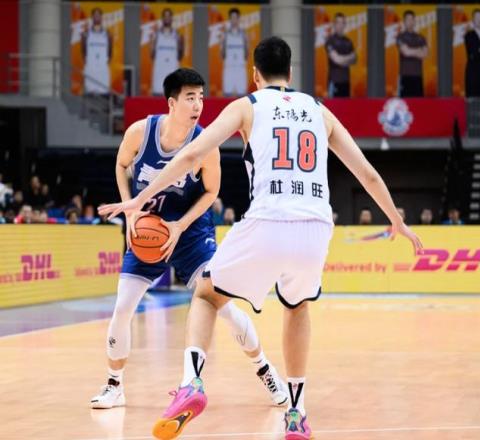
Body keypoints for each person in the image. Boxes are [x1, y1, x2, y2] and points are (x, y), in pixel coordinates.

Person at [98, 37, 422, 440]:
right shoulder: (319, 110)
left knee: (206, 295)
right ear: (291, 73)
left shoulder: (246, 106)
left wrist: (137, 201)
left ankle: (192, 383)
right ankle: (296, 413)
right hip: (316, 226)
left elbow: (189, 156)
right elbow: (368, 174)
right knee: (297, 308)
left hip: (269, 219)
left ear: (254, 75)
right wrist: (396, 221)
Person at [91, 68, 287, 410]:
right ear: (172, 102)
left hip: (191, 233)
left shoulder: (205, 143)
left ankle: (265, 369)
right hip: (148, 229)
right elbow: (122, 166)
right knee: (122, 308)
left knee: (224, 309)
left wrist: (180, 225)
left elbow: (211, 192)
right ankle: (114, 385)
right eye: (190, 98)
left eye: (201, 97)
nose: (198, 105)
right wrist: (131, 211)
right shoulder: (140, 132)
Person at [151, 8, 184, 96]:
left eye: (169, 16)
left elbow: (180, 56)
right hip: (159, 75)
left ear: (172, 18)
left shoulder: (177, 35)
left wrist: (181, 44)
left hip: (172, 74)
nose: (167, 18)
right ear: (162, 18)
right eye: (165, 16)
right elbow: (152, 56)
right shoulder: (156, 35)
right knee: (158, 101)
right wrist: (152, 43)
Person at [396, 10, 428, 97]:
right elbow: (406, 52)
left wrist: (411, 50)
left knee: (419, 103)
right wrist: (418, 50)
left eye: (411, 19)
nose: (410, 22)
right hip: (405, 76)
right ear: (404, 22)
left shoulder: (421, 37)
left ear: (414, 21)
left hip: (418, 76)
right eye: (407, 19)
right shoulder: (400, 36)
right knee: (404, 103)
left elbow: (425, 54)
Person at [325, 12, 356, 98]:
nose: (340, 25)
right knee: (333, 106)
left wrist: (342, 60)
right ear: (334, 24)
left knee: (346, 105)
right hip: (334, 81)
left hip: (346, 82)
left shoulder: (348, 41)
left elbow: (354, 59)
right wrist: (347, 59)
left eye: (342, 23)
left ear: (345, 24)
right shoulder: (330, 40)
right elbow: (336, 59)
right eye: (338, 22)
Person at [82, 7, 113, 94]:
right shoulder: (86, 34)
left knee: (104, 92)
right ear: (92, 17)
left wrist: (105, 61)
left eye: (99, 15)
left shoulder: (108, 34)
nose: (97, 17)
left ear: (101, 17)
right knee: (89, 92)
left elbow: (110, 51)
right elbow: (83, 51)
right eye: (95, 15)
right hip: (91, 68)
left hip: (103, 69)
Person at [221, 8, 248, 96]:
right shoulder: (225, 35)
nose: (234, 20)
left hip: (240, 68)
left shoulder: (244, 34)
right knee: (227, 94)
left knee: (242, 95)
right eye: (232, 18)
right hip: (229, 68)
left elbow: (247, 53)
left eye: (236, 18)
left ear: (239, 19)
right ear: (229, 19)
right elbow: (222, 54)